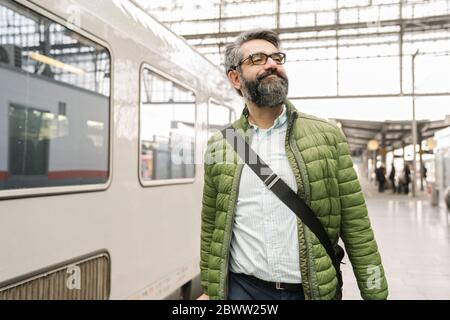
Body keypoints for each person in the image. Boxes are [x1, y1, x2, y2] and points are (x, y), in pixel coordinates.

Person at [199, 29, 388, 300]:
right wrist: (210, 290)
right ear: (235, 78)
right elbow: (211, 226)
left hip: (310, 292)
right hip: (242, 291)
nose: (272, 63)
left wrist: (376, 293)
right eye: (258, 59)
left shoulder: (326, 136)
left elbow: (357, 227)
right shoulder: (221, 144)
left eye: (276, 57)